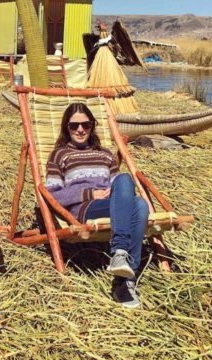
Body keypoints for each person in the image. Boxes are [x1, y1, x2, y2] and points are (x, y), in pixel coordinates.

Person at [45, 102, 150, 309]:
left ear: (92, 126)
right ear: (66, 127)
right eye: (74, 126)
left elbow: (119, 186)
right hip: (84, 209)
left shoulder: (106, 154)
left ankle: (123, 271)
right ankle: (123, 259)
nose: (80, 129)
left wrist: (113, 191)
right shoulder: (59, 155)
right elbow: (53, 194)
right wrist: (90, 192)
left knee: (131, 190)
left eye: (85, 124)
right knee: (139, 206)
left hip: (112, 204)